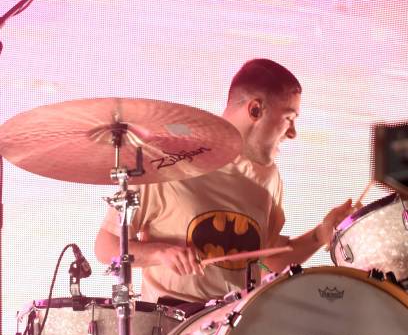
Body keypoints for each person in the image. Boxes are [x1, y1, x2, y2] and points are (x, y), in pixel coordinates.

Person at [95, 59, 352, 303]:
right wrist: (160, 253)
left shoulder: (269, 177)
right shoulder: (168, 162)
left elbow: (266, 263)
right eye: (289, 118)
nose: (293, 133)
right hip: (173, 328)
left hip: (234, 325)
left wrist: (319, 235)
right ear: (255, 110)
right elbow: (106, 247)